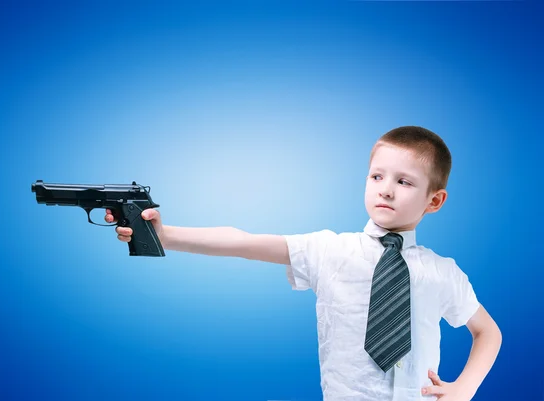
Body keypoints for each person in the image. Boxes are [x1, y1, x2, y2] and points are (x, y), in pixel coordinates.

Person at [106, 126, 502, 401]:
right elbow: (242, 242)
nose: (385, 188)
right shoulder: (329, 250)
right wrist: (165, 234)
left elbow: (487, 332)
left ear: (434, 200)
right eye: (377, 176)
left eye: (404, 181)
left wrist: (464, 388)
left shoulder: (441, 272)